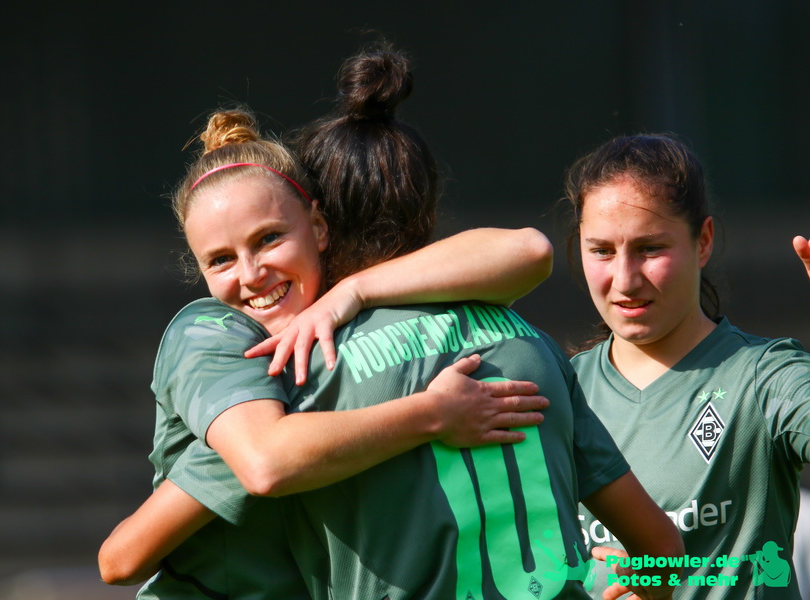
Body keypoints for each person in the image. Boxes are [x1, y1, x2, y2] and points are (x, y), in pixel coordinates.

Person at [102, 48, 683, 600]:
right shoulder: (534, 345)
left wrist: (353, 300)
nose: (251, 274)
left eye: (270, 238)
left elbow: (136, 549)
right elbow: (663, 553)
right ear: (430, 209)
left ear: (320, 225)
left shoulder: (295, 371)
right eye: (221, 260)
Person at [564, 134, 810, 599]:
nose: (624, 279)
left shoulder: (765, 376)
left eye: (650, 248)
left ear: (703, 241)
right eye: (601, 250)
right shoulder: (558, 390)